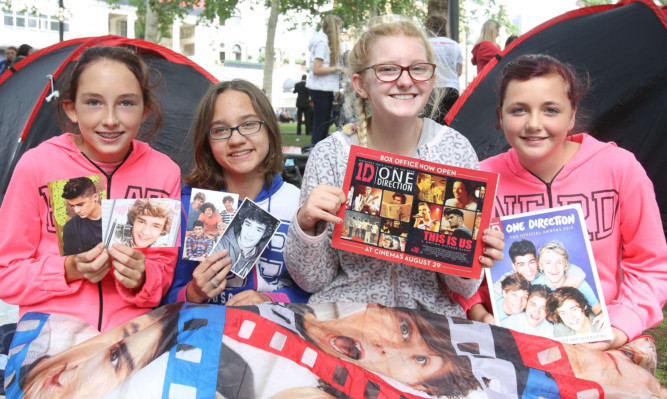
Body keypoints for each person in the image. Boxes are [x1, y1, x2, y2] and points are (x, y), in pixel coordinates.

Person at [284, 19, 505, 318]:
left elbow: (464, 289)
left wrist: (472, 254)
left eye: (417, 68)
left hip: (431, 320)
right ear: (360, 84)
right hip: (344, 315)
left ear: (431, 78)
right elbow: (312, 280)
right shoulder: (332, 155)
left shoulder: (453, 150)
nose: (405, 81)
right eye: (387, 69)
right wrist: (307, 225)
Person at [481, 54, 667, 350]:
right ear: (500, 115)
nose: (533, 123)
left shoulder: (619, 169)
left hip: (606, 341)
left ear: (572, 114)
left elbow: (651, 264)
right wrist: (481, 315)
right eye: (518, 110)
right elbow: (462, 276)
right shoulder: (482, 178)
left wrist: (617, 329)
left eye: (551, 110)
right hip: (511, 342)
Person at [0, 46, 180, 333]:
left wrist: (143, 276)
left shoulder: (164, 172)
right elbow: (6, 276)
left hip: (131, 334)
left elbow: (163, 273)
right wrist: (68, 270)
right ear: (72, 109)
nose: (110, 119)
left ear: (145, 110)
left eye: (126, 103)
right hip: (49, 333)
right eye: (94, 102)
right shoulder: (36, 165)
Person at [164, 79, 309, 307]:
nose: (236, 139)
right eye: (220, 130)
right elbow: (163, 297)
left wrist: (271, 299)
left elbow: (316, 290)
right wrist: (192, 293)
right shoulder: (188, 206)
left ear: (269, 129)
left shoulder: (298, 205)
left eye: (249, 124)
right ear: (206, 141)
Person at [307, 14, 345, 146]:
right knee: (321, 123)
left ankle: (318, 149)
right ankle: (315, 150)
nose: (340, 33)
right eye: (339, 29)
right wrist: (337, 68)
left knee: (325, 122)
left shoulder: (324, 43)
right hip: (320, 89)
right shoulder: (322, 44)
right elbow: (316, 70)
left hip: (324, 89)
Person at [533, 241, 601, 315]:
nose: (554, 268)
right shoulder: (533, 285)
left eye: (559, 262)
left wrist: (602, 316)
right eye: (548, 262)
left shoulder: (579, 284)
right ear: (541, 265)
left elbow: (599, 310)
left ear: (566, 265)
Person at [214, 204, 277, 278]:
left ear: (264, 234)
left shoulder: (261, 257)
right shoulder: (220, 244)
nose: (250, 233)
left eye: (258, 229)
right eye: (248, 225)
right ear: (242, 224)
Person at [424, 14, 463, 122]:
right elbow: (459, 71)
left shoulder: (425, 44)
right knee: (450, 123)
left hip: (431, 89)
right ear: (445, 27)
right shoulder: (454, 45)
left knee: (430, 122)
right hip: (451, 87)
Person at [61, 176, 103, 255]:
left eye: (80, 204)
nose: (76, 211)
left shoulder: (115, 215)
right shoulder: (70, 227)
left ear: (95, 197)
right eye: (72, 206)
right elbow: (70, 260)